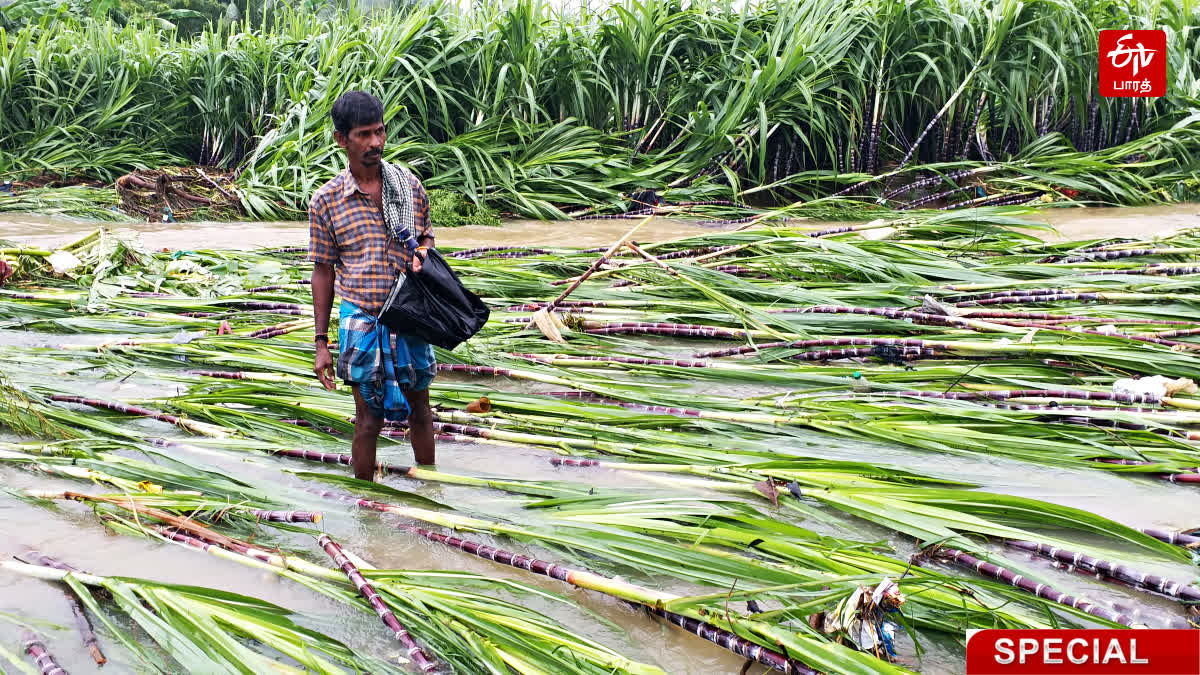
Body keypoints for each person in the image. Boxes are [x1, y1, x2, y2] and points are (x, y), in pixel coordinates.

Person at [308, 90, 437, 481]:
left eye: (379, 132)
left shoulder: (407, 186)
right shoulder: (327, 201)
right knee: (367, 419)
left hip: (411, 314)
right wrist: (320, 343)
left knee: (421, 408)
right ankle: (365, 507)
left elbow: (427, 237)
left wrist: (425, 254)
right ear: (341, 140)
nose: (376, 143)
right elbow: (323, 271)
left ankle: (432, 492)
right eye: (364, 134)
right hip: (361, 318)